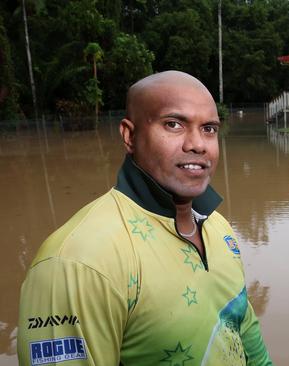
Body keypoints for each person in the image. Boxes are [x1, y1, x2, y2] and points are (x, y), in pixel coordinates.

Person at [17, 71, 273, 365]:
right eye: (174, 124)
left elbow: (245, 332)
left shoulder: (218, 226)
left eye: (209, 129)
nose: (198, 144)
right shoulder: (78, 262)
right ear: (130, 135)